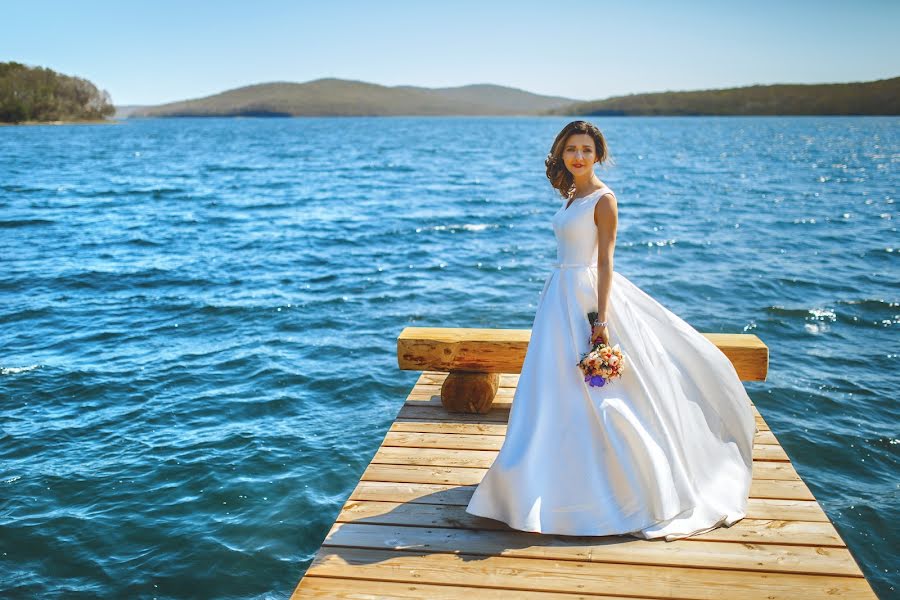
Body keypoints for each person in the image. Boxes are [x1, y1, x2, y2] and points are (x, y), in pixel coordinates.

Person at [464, 120, 759, 541]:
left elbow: (605, 262)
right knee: (553, 389)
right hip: (557, 296)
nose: (578, 156)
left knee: (600, 394)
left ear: (598, 155)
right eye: (571, 149)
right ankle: (544, 479)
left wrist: (600, 320)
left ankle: (609, 489)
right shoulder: (571, 196)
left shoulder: (604, 199)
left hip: (584, 297)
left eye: (586, 149)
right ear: (562, 154)